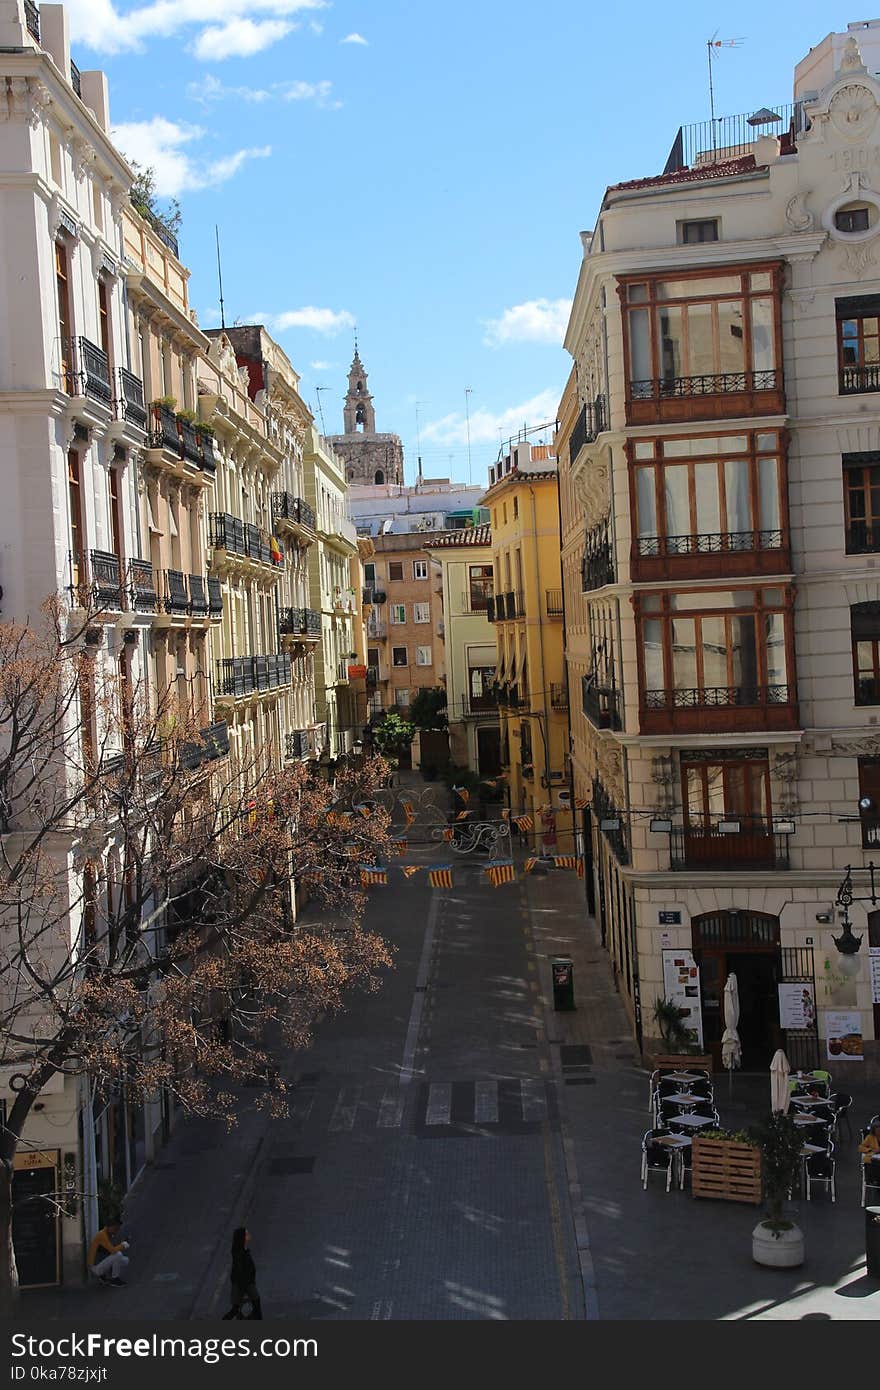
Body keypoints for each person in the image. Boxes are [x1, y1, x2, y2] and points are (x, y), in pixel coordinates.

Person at [222, 1227, 262, 1320]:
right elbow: (240, 1271)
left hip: (247, 1283)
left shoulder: (243, 1249)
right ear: (242, 1237)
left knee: (239, 1308)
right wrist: (245, 1287)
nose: (249, 1235)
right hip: (245, 1284)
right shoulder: (240, 1253)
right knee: (252, 1306)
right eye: (246, 1234)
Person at [88, 1220, 129, 1286]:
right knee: (118, 1255)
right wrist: (123, 1245)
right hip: (95, 1267)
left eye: (118, 1229)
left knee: (124, 1260)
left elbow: (108, 1250)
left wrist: (122, 1243)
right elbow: (112, 1251)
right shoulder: (102, 1235)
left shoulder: (108, 1234)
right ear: (110, 1227)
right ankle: (114, 1279)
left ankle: (103, 1276)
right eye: (115, 1229)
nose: (116, 1231)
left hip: (99, 1263)